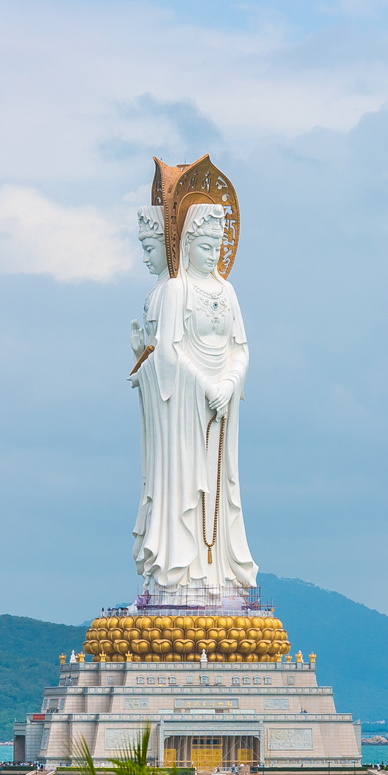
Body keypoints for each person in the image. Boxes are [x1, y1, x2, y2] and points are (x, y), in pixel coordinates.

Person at [131, 203, 258, 602]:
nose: (213, 253)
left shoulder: (227, 291)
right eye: (205, 245)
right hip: (186, 406)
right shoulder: (176, 290)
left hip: (221, 406)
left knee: (220, 489)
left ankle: (219, 574)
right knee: (185, 483)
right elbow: (167, 353)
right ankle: (182, 575)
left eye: (218, 245)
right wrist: (205, 384)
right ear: (186, 245)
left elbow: (242, 349)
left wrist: (230, 382)